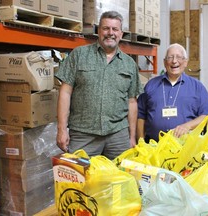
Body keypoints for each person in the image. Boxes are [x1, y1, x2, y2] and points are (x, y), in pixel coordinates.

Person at [55, 11, 142, 160]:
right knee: (80, 180)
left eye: (115, 29)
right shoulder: (79, 55)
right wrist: (62, 129)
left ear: (121, 34)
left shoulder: (129, 64)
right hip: (83, 134)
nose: (110, 33)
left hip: (118, 135)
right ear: (98, 31)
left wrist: (131, 136)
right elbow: (65, 93)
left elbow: (132, 102)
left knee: (121, 179)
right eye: (106, 28)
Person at [137, 43, 208, 142]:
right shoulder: (151, 85)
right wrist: (140, 142)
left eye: (179, 57)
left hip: (185, 148)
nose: (174, 61)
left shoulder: (197, 87)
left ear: (185, 62)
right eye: (170, 57)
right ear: (165, 62)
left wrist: (187, 126)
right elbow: (141, 115)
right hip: (153, 147)